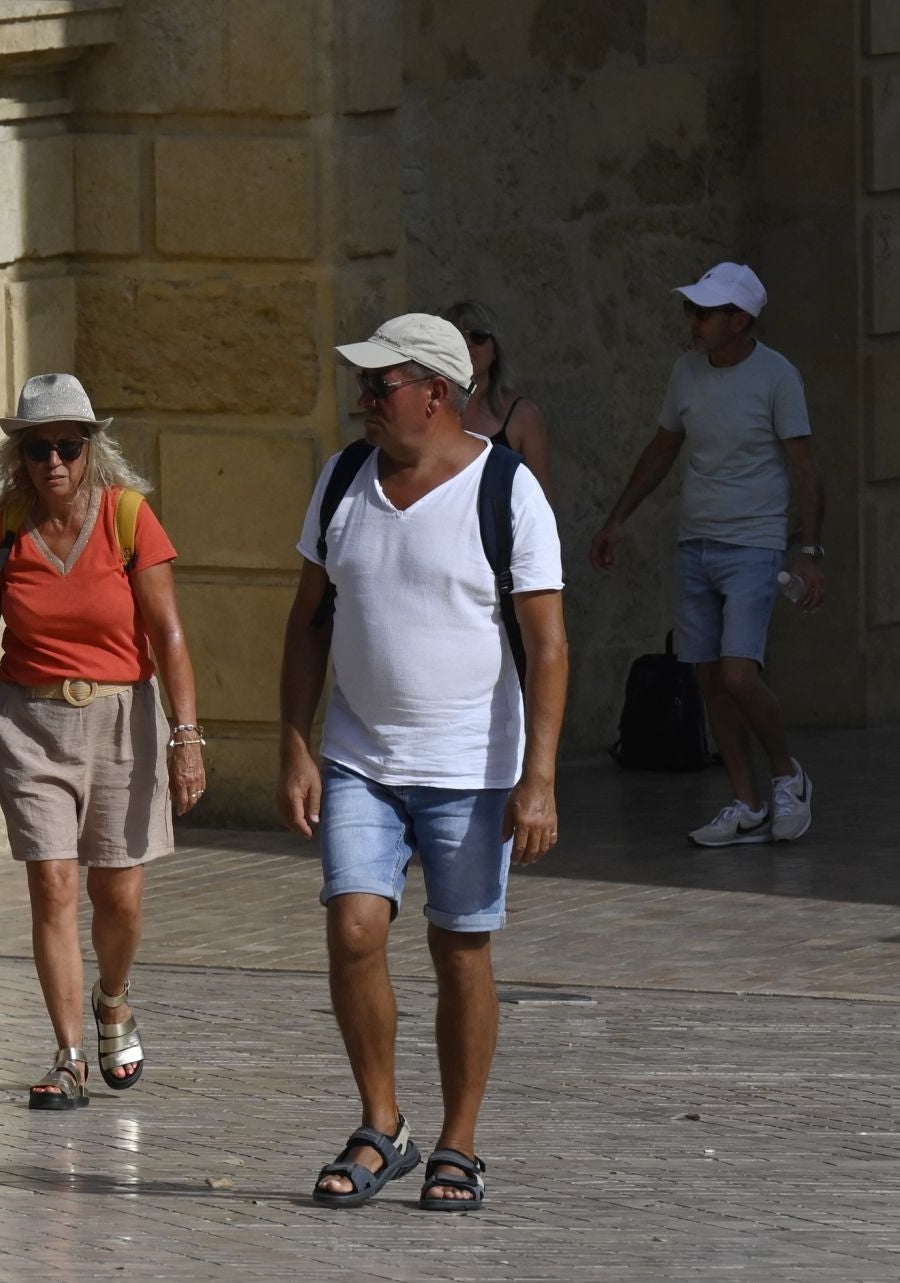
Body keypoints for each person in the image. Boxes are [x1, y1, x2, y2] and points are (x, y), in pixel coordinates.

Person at [278, 314, 568, 1211]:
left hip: (473, 768)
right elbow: (308, 622)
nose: (363, 402)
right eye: (363, 386)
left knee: (460, 949)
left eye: (381, 386)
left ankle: (460, 1142)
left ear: (435, 393)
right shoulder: (342, 482)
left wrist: (540, 777)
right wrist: (294, 740)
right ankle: (381, 1124)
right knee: (355, 927)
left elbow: (548, 644)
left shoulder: (507, 491)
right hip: (361, 756)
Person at [0, 373, 205, 1111]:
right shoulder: (2, 527)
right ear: (18, 457)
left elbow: (169, 631)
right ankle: (66, 1055)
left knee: (116, 894)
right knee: (54, 884)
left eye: (68, 445)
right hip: (30, 721)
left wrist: (188, 736)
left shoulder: (129, 518)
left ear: (92, 447)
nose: (53, 461)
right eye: (37, 448)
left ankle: (113, 998)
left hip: (125, 718)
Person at [589, 262, 824, 847]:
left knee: (741, 675)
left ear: (739, 319)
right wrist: (619, 517)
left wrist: (812, 550)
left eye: (704, 311)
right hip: (695, 543)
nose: (692, 320)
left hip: (755, 543)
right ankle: (745, 802)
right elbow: (663, 448)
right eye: (690, 309)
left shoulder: (778, 376)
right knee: (709, 680)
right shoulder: (686, 372)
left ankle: (786, 776)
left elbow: (805, 467)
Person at [442, 299, 555, 505]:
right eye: (456, 337)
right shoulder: (430, 409)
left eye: (478, 336)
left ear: (496, 350)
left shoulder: (522, 416)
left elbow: (542, 502)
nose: (467, 344)